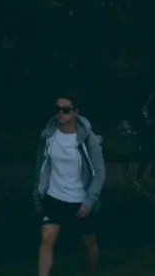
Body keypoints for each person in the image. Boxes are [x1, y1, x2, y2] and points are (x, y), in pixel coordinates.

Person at [35, 90, 103, 276]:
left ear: (75, 112)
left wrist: (89, 202)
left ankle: (92, 272)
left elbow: (99, 172)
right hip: (54, 197)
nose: (60, 113)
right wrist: (38, 197)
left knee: (89, 242)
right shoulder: (49, 137)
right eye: (58, 109)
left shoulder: (88, 139)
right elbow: (40, 168)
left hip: (80, 200)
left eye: (66, 109)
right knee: (47, 238)